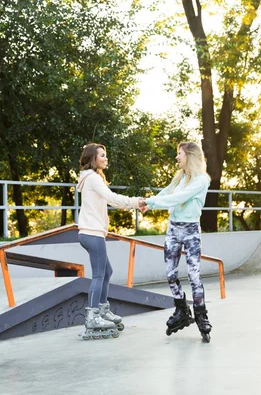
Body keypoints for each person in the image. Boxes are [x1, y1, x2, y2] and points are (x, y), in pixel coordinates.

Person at [141, 141, 213, 342]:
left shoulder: (201, 180)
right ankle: (181, 309)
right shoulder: (180, 176)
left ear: (189, 155)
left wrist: (152, 203)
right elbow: (168, 192)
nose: (176, 157)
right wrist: (148, 201)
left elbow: (180, 197)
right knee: (170, 274)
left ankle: (201, 314)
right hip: (173, 229)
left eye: (179, 153)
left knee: (193, 274)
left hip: (190, 231)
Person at [76, 143, 146, 340]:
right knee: (98, 275)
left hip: (91, 232)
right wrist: (136, 202)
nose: (106, 159)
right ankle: (92, 316)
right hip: (92, 233)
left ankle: (102, 310)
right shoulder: (93, 178)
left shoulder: (90, 179)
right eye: (102, 156)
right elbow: (112, 198)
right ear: (93, 159)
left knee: (107, 272)